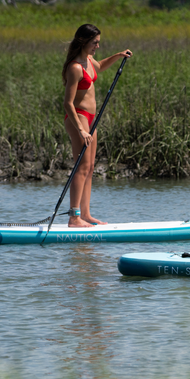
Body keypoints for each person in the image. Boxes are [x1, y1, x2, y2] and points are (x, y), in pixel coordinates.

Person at [62, 24, 132, 227]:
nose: (97, 47)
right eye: (94, 43)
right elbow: (68, 103)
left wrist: (118, 56)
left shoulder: (89, 61)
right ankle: (74, 217)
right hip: (79, 118)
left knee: (90, 167)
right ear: (84, 42)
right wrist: (81, 129)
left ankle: (85, 214)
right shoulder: (75, 67)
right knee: (81, 167)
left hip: (92, 118)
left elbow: (99, 66)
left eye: (99, 43)